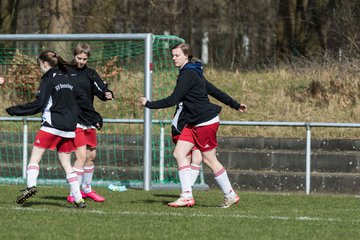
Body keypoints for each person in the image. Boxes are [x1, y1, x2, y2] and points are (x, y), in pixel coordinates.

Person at [139, 43, 247, 208]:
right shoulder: (193, 71)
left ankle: (230, 194)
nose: (174, 58)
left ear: (186, 56)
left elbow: (173, 99)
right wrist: (235, 105)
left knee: (209, 160)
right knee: (179, 153)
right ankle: (187, 195)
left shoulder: (188, 73)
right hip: (194, 122)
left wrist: (149, 104)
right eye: (173, 55)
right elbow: (214, 91)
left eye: (177, 55)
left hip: (205, 121)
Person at [6, 50, 103, 208]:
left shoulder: (48, 79)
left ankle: (30, 186)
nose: (40, 68)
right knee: (66, 164)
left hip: (51, 125)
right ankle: (78, 199)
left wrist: (14, 110)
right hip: (69, 127)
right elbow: (84, 101)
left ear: (44, 63)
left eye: (40, 65)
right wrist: (96, 117)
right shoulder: (68, 79)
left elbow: (38, 104)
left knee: (35, 158)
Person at [171, 66, 245, 187]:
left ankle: (187, 193)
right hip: (183, 128)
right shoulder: (188, 87)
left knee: (202, 158)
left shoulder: (198, 81)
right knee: (192, 157)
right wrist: (149, 104)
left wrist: (235, 105)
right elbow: (172, 100)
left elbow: (217, 92)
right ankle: (187, 193)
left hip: (198, 124)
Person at [66, 43, 114, 203]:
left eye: (84, 59)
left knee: (91, 155)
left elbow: (101, 90)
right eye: (79, 58)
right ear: (74, 55)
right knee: (80, 155)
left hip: (89, 118)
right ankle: (74, 193)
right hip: (74, 119)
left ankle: (86, 189)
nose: (81, 61)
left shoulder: (91, 73)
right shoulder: (65, 71)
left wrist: (107, 94)